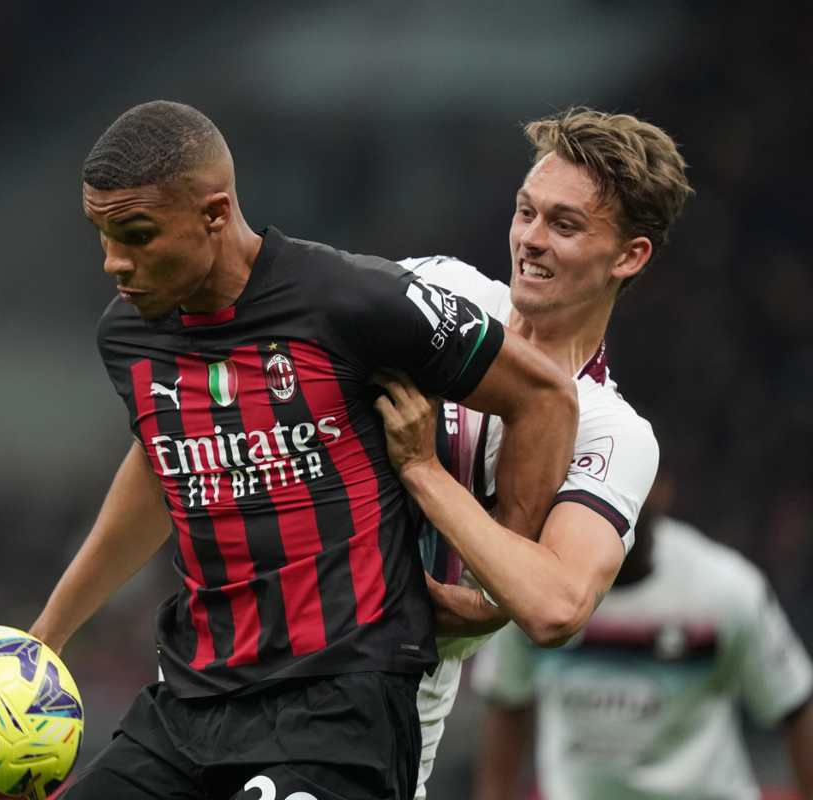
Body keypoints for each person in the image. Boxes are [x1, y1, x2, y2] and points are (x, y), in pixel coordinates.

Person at [29, 100, 580, 800]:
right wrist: (48, 633)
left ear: (215, 213)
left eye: (136, 235)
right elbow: (166, 468)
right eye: (103, 235)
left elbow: (544, 397)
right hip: (191, 702)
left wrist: (497, 580)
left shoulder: (355, 301)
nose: (114, 262)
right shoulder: (129, 337)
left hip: (339, 709)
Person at [370, 107, 694, 798]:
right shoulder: (441, 290)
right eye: (526, 212)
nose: (531, 240)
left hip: (378, 732)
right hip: (246, 668)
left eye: (564, 225)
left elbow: (553, 605)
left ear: (629, 256)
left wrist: (425, 472)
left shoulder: (613, 433)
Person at [470, 471, 813, 800]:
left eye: (624, 483)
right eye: (593, 486)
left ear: (660, 489)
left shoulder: (724, 590)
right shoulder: (532, 590)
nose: (607, 503)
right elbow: (506, 702)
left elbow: (796, 707)